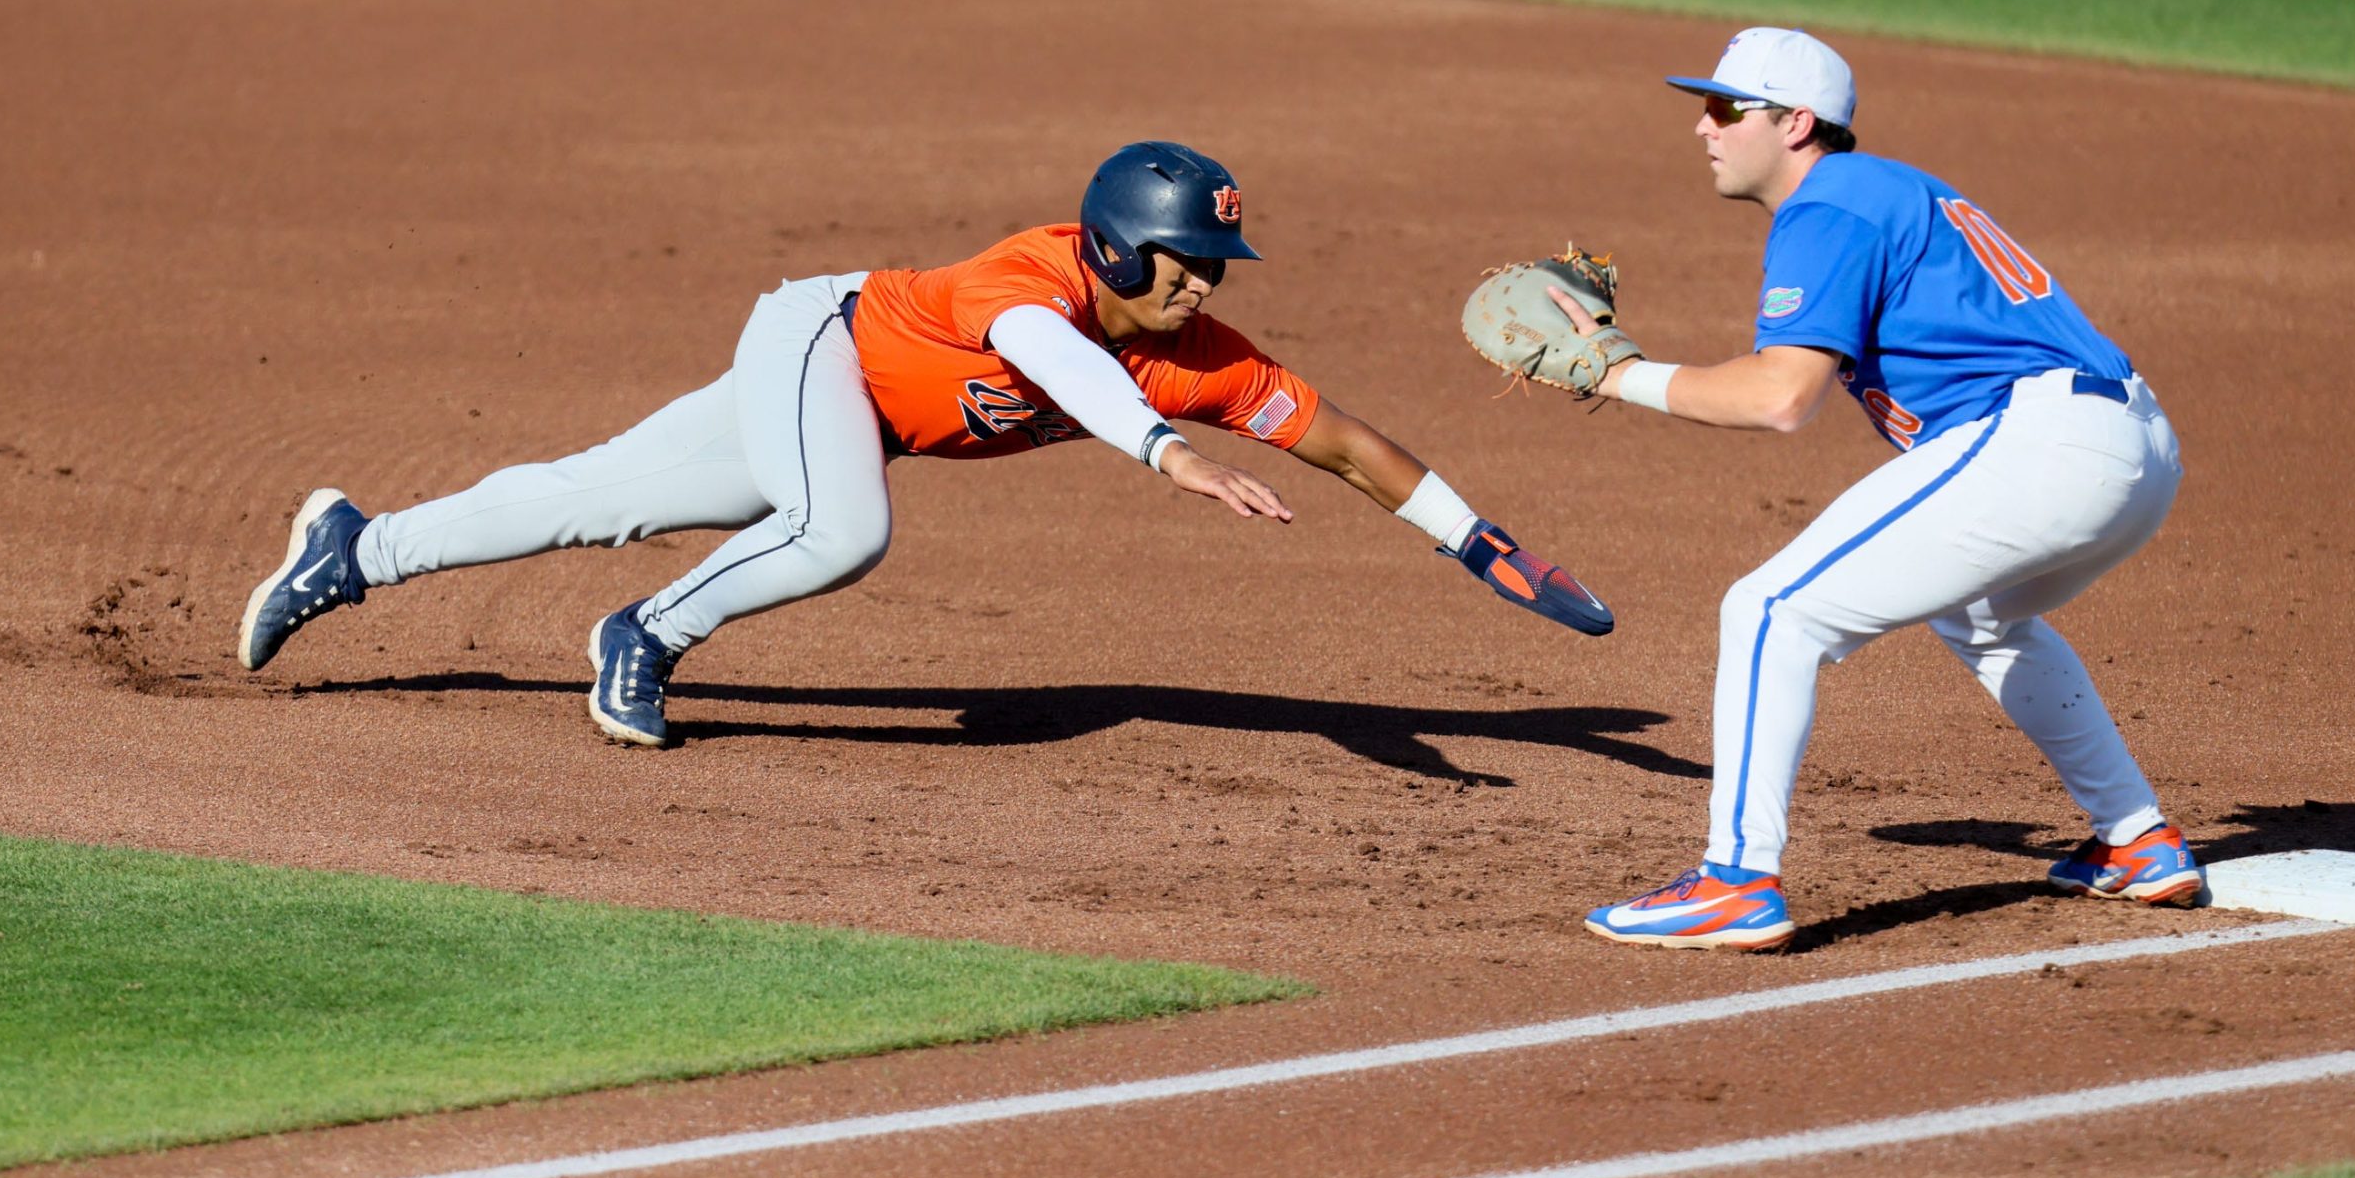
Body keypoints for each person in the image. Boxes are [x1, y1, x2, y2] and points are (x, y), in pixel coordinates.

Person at [240, 141, 1612, 747]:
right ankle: (644, 632)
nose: (1203, 284)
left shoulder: (1202, 355)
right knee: (839, 529)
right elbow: (1049, 359)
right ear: (1117, 244)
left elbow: (1348, 443)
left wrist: (1479, 542)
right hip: (817, 342)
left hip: (860, 408)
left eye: (1216, 264)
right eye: (1185, 260)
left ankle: (353, 547)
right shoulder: (1026, 280)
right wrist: (1161, 449)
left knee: (593, 494)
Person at [1558, 29, 2198, 951]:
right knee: (1981, 616)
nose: (1703, 126)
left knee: (1770, 611)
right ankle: (2136, 838)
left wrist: (1618, 374)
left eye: (1727, 107)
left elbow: (1781, 397)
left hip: (2042, 442)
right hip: (2129, 449)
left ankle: (1736, 880)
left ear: (1796, 123)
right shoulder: (1883, 190)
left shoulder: (1831, 203)